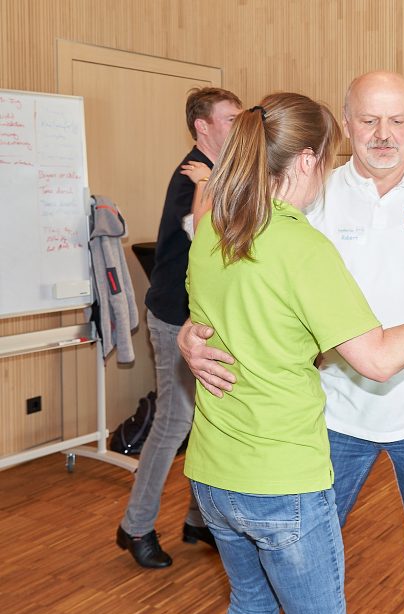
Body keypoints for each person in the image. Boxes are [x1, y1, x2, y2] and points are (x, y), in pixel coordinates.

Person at [178, 71, 404, 614]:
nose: (384, 133)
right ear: (344, 128)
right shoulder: (313, 201)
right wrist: (188, 337)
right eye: (369, 120)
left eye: (398, 120)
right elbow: (365, 352)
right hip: (326, 419)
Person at [115, 86, 241, 569]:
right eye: (229, 119)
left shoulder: (215, 172)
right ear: (202, 127)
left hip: (203, 320)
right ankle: (135, 526)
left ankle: (198, 520)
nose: (238, 126)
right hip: (175, 319)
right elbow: (204, 236)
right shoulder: (192, 174)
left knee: (208, 421)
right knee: (174, 423)